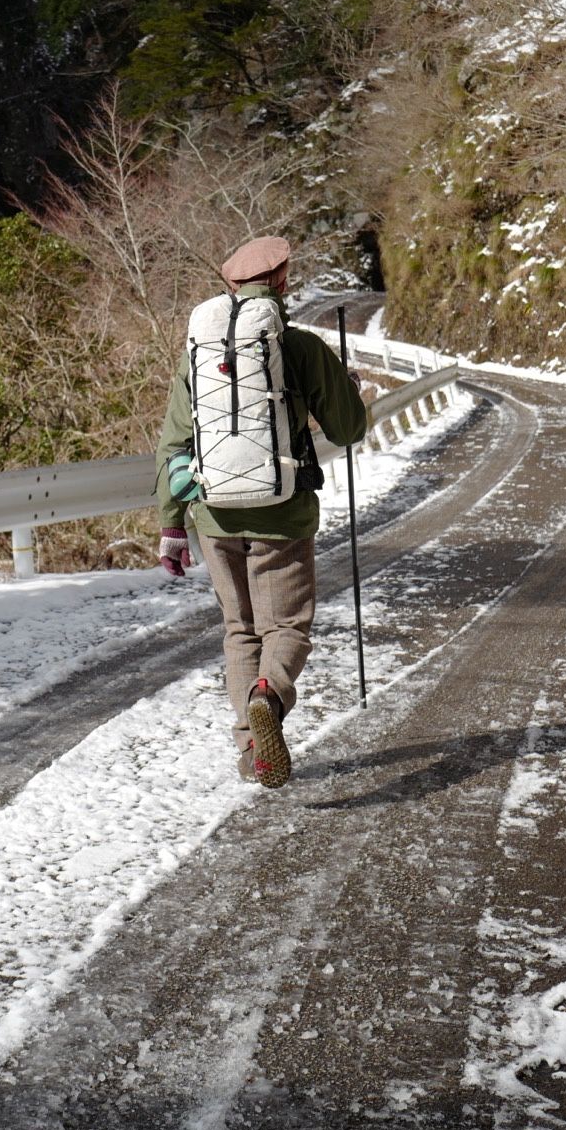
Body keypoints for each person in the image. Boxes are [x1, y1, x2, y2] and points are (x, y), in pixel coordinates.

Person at [156, 236, 370, 788]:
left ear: (231, 287)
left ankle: (253, 749)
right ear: (281, 282)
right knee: (287, 626)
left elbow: (174, 444)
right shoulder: (300, 346)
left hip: (213, 514)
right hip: (281, 512)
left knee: (240, 630)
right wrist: (345, 388)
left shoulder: (198, 354)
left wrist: (171, 524)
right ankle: (268, 695)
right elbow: (348, 430)